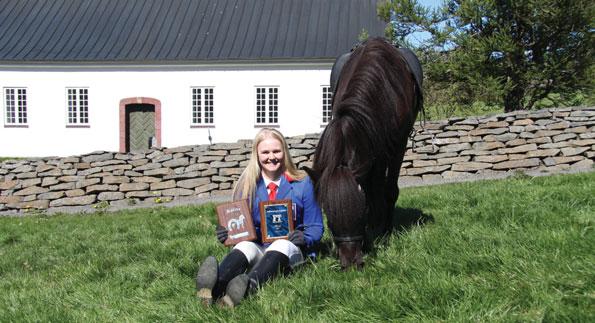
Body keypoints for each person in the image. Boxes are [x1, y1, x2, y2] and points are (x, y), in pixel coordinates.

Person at [195, 128, 324, 307]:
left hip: (291, 250)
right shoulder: (247, 185)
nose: (272, 157)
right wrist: (228, 233)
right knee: (244, 246)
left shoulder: (303, 183)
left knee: (282, 243)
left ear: (284, 152)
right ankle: (214, 288)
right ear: (257, 154)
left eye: (276, 151)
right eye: (265, 152)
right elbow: (240, 222)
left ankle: (246, 289)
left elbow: (316, 226)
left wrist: (305, 238)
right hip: (259, 246)